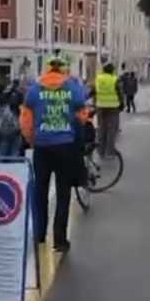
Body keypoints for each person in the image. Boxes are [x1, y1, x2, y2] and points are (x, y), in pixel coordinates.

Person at [20, 56, 88, 252]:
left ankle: (39, 235)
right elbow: (81, 115)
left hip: (42, 147)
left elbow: (26, 120)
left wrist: (32, 140)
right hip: (65, 146)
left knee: (40, 192)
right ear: (63, 70)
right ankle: (59, 240)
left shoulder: (35, 89)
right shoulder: (73, 87)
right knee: (63, 193)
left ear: (48, 69)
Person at [96, 62, 124, 158]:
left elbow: (93, 91)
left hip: (100, 107)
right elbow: (120, 93)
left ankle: (101, 151)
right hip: (113, 108)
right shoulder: (115, 79)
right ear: (112, 70)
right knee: (111, 130)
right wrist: (122, 105)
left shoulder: (98, 79)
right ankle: (110, 152)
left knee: (101, 129)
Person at [0, 79, 24, 157]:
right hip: (16, 125)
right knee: (14, 150)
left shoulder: (5, 95)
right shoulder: (20, 95)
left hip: (4, 127)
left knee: (3, 149)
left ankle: (0, 165)